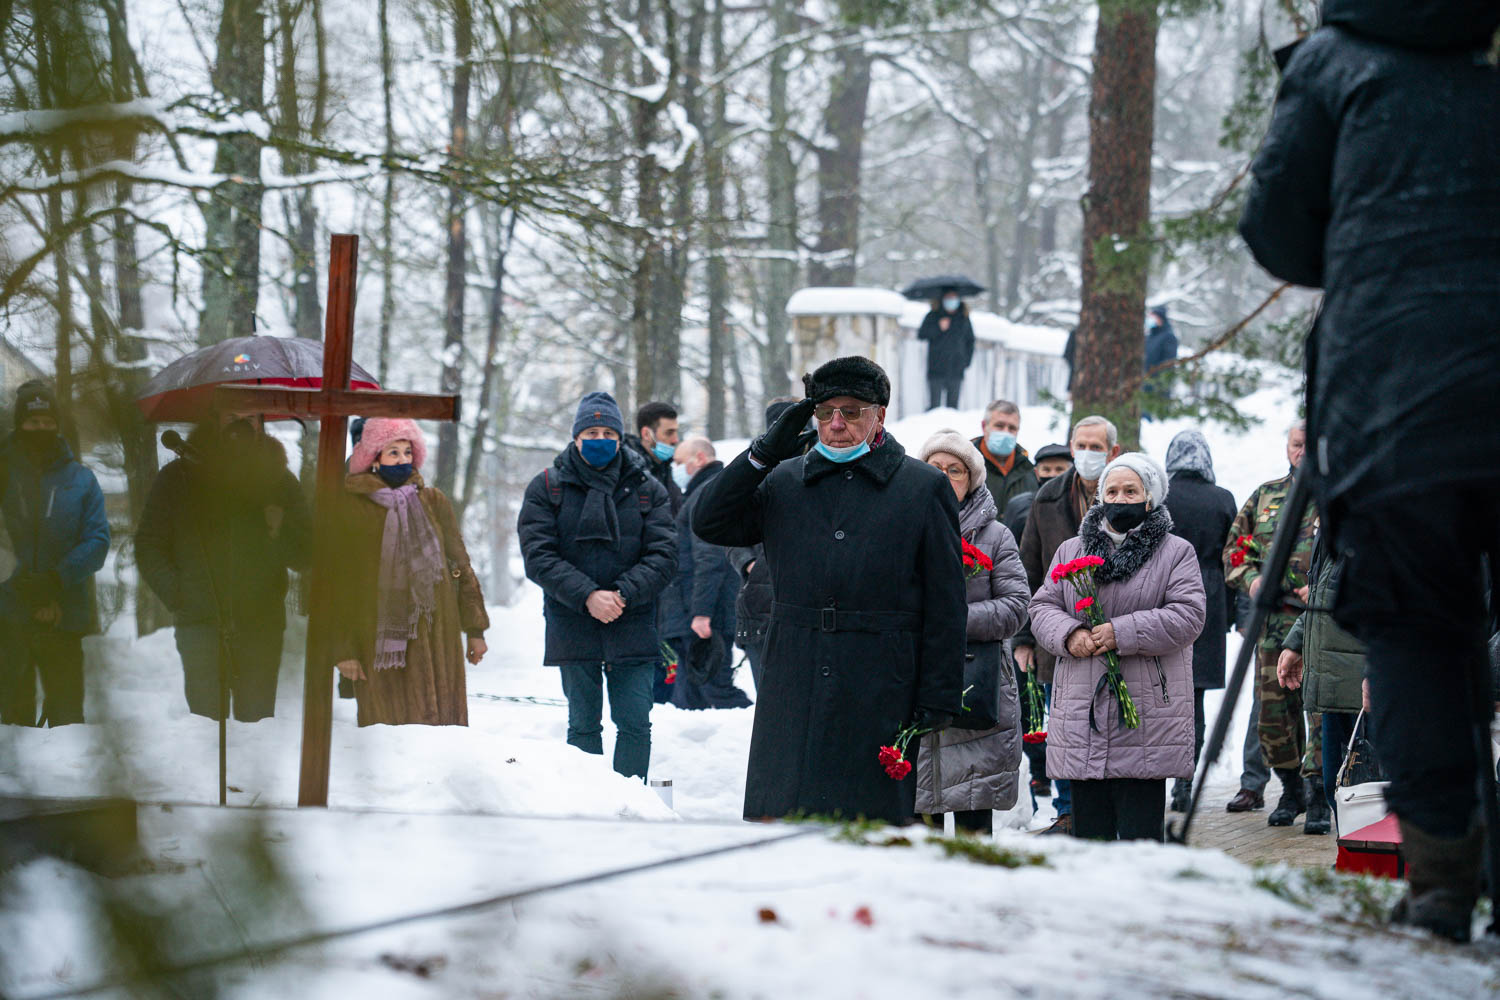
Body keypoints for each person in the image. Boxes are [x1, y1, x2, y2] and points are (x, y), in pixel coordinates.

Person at [1238, 0, 1500, 942]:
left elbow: (1275, 229)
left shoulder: (1337, 63)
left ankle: (1439, 881)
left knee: (1418, 637)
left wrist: (1365, 245)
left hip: (1395, 403)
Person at [692, 356, 966, 823]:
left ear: (879, 414)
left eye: (852, 411)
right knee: (783, 819)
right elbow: (710, 520)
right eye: (825, 412)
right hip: (794, 675)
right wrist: (761, 454)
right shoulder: (784, 479)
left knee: (869, 826)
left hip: (880, 680)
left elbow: (946, 600)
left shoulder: (922, 487)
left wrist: (938, 692)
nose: (836, 423)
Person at [1027, 453, 1207, 842]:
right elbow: (1041, 607)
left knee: (1141, 839)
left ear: (1150, 498)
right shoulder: (1071, 551)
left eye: (1131, 491)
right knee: (1091, 839)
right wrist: (1070, 635)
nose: (1120, 498)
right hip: (1083, 712)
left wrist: (1122, 632)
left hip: (1145, 713)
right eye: (1112, 490)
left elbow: (1188, 615)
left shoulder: (1175, 552)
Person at [517, 391, 676, 779]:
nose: (600, 439)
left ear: (621, 439)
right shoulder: (547, 487)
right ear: (575, 438)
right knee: (583, 726)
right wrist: (587, 595)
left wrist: (621, 594)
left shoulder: (647, 487)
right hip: (572, 620)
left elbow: (665, 554)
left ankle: (632, 803)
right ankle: (588, 807)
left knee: (636, 723)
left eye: (609, 432)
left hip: (633, 619)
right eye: (591, 431)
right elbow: (538, 555)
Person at [137, 413, 312, 722]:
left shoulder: (280, 481)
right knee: (204, 727)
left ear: (260, 423)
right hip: (199, 623)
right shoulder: (179, 478)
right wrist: (179, 594)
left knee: (256, 730)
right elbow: (149, 544)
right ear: (214, 418)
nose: (240, 425)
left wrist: (278, 529)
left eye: (250, 417)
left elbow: (304, 556)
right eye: (231, 415)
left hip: (261, 624)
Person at [328, 419, 489, 726]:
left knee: (444, 744)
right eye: (393, 452)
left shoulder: (433, 500)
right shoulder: (353, 506)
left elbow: (460, 564)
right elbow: (339, 584)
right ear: (374, 458)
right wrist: (343, 650)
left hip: (438, 637)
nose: (402, 460)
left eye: (407, 452)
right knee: (390, 742)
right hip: (379, 644)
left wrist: (475, 630)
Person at [913, 430, 1029, 835]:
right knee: (917, 826)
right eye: (934, 469)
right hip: (914, 687)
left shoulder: (996, 537)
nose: (944, 477)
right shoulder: (898, 528)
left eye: (955, 470)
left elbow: (1016, 607)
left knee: (972, 829)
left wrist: (950, 619)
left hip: (974, 689)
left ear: (972, 479)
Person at [1014, 415, 1122, 833]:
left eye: (1096, 446)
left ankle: (1108, 810)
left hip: (1112, 633)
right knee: (1064, 725)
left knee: (1111, 724)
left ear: (1112, 451)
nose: (1086, 454)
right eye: (1081, 444)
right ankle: (1066, 810)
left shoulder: (1126, 491)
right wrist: (1024, 637)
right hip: (1058, 633)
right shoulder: (1047, 497)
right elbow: (1028, 569)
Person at [1222, 422, 1324, 833]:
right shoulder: (1266, 495)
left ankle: (1319, 796)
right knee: (1273, 715)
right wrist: (1252, 580)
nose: (1302, 453)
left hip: (1321, 624)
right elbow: (1234, 550)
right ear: (1287, 448)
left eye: (1310, 446)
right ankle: (1290, 789)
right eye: (1297, 445)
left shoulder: (1339, 496)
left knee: (1317, 710)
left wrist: (1319, 589)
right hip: (1275, 624)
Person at [0, 381, 109, 726]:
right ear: (20, 424)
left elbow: (97, 541)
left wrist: (54, 579)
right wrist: (21, 583)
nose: (40, 429)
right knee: (12, 729)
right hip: (8, 617)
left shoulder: (81, 479)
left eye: (48, 422)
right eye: (33, 422)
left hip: (64, 615)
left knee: (66, 727)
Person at [1162, 430, 1237, 813]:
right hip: (1209, 600)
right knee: (1194, 698)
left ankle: (1157, 774)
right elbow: (1235, 556)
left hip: (1164, 595)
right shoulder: (1222, 499)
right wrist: (1235, 614)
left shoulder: (1160, 495)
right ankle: (1184, 783)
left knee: (1157, 691)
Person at [1277, 529, 1368, 834]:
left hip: (1370, 689)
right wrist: (1297, 642)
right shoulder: (1335, 517)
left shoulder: (1383, 511)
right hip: (1336, 684)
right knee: (1340, 788)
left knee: (1372, 791)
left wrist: (1378, 672)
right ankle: (1354, 860)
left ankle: (1378, 869)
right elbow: (1324, 594)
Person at [726, 400, 812, 693]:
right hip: (760, 606)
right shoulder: (751, 469)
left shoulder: (825, 468)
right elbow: (726, 528)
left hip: (809, 608)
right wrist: (751, 565)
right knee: (771, 703)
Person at [663, 436, 752, 710]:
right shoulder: (711, 491)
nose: (675, 468)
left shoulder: (705, 493)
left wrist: (702, 613)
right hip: (702, 610)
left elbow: (709, 557)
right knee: (694, 689)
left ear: (699, 458)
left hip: (703, 614)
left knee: (713, 686)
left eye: (679, 462)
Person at [970, 400, 1037, 513]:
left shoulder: (1028, 471)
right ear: (984, 426)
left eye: (1012, 428)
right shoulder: (967, 467)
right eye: (999, 426)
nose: (1006, 432)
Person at [916, 289, 976, 410]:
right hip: (936, 367)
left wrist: (966, 362)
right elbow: (922, 334)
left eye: (954, 298)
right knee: (934, 406)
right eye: (948, 298)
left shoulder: (964, 318)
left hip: (956, 368)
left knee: (953, 406)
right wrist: (938, 327)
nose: (951, 301)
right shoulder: (933, 315)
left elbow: (970, 341)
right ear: (942, 299)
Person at [1002, 443, 1073, 542]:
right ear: (1037, 473)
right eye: (1046, 470)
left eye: (1059, 469)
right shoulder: (1018, 506)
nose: (1052, 474)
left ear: (1072, 472)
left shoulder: (1079, 505)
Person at [623, 401, 682, 514]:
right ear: (646, 434)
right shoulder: (629, 474)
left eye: (676, 432)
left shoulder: (666, 470)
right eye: (669, 433)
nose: (676, 440)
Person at [1142, 305, 1179, 421]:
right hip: (1144, 385)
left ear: (1160, 318)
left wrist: (1157, 382)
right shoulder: (1149, 336)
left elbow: (1168, 364)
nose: (1150, 319)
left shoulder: (1168, 337)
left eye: (1153, 317)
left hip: (1157, 388)